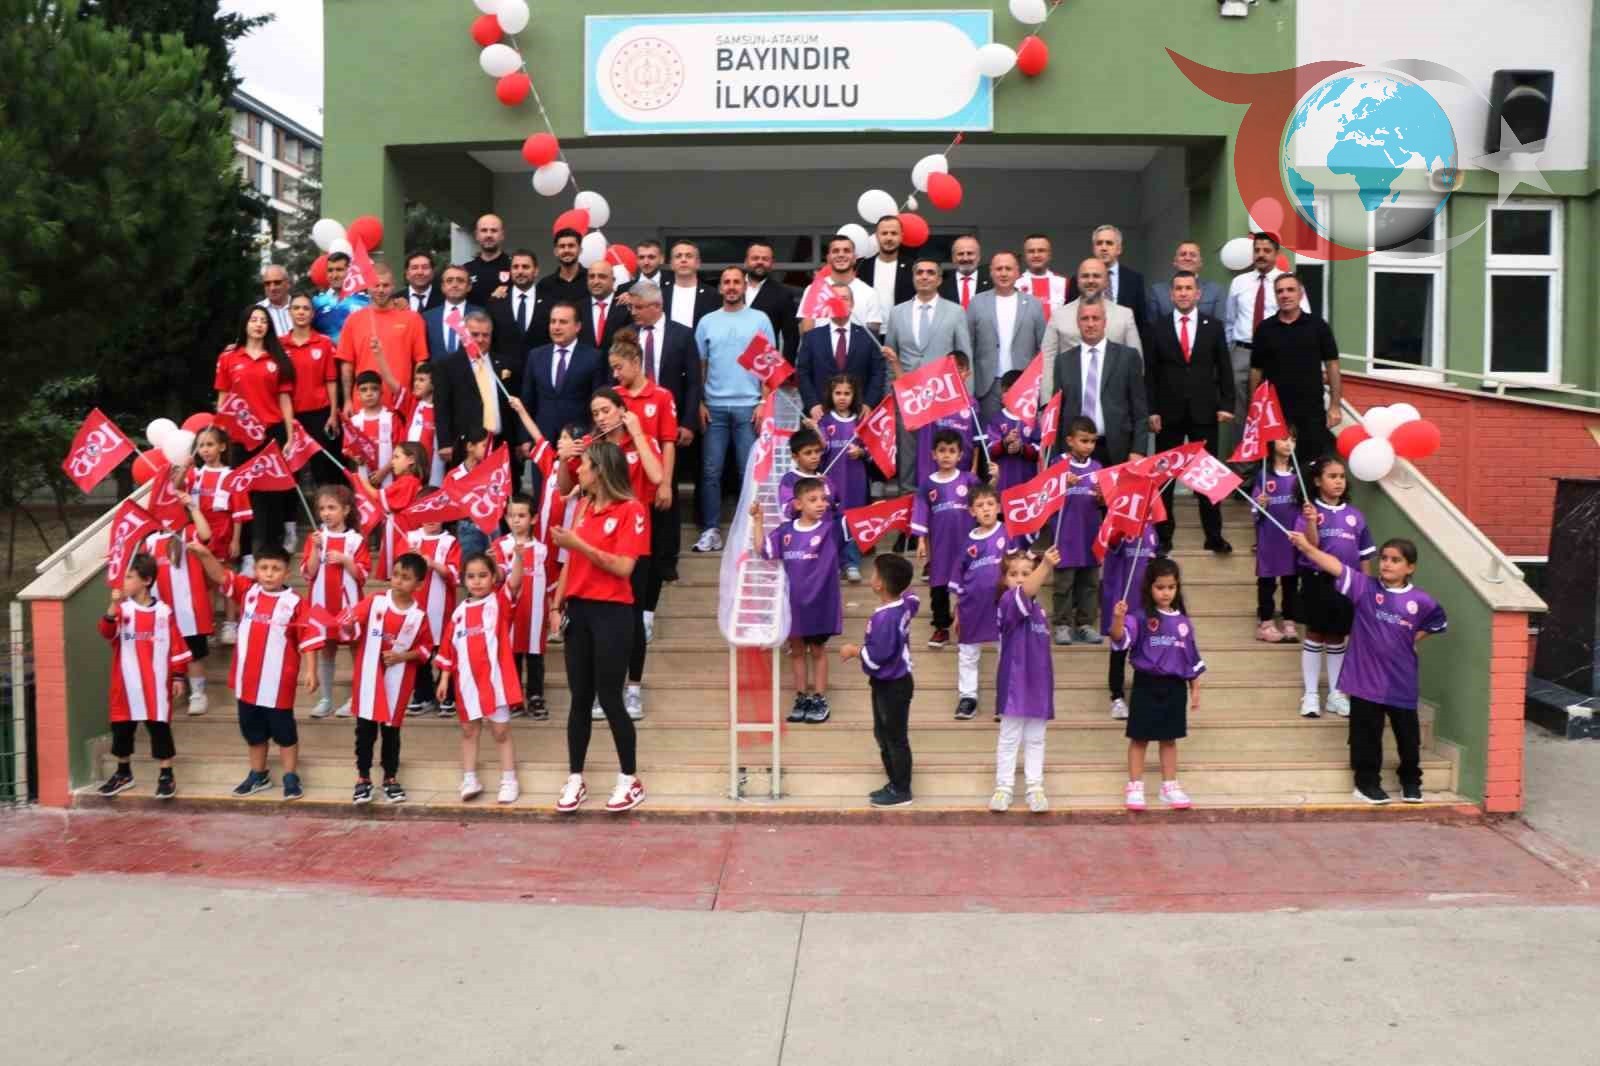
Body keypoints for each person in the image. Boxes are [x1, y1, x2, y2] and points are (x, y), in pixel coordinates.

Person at [1287, 533, 1448, 804]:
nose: (1387, 564)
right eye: (1384, 558)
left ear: (1410, 567)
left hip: (1401, 681)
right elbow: (1334, 565)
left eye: (1395, 560)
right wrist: (1306, 547)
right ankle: (1366, 784)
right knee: (1366, 736)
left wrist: (1410, 639)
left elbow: (1436, 623)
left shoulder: (1422, 601)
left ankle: (1410, 781)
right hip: (1364, 681)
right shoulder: (1364, 587)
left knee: (1408, 737)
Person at [549, 440, 650, 814]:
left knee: (609, 697)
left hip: (613, 612)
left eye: (585, 464)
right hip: (579, 610)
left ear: (601, 471)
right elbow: (570, 562)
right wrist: (557, 604)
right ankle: (575, 777)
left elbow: (624, 566)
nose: (578, 470)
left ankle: (629, 778)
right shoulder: (582, 507)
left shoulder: (631, 510)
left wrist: (580, 544)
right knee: (579, 697)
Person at [553, 389, 661, 722]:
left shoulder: (641, 439)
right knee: (597, 621)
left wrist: (637, 432)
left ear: (622, 410)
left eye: (606, 410)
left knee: (633, 617)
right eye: (595, 412)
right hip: (594, 536)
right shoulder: (590, 446)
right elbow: (564, 488)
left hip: (632, 538)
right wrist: (564, 458)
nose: (600, 418)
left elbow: (658, 477)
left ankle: (634, 688)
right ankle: (605, 691)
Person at [190, 542, 321, 802]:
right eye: (264, 568)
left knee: (285, 733)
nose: (269, 573)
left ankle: (290, 776)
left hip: (278, 683)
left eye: (276, 568)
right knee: (254, 733)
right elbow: (219, 575)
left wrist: (311, 670)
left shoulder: (295, 603)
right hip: (247, 681)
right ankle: (258, 774)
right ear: (256, 570)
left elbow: (308, 638)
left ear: (287, 572)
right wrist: (204, 554)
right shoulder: (247, 591)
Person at [1145, 270, 1235, 554]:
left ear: (1198, 294)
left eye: (1188, 288)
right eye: (1178, 288)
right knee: (1165, 478)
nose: (1183, 293)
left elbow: (1224, 367)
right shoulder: (1157, 327)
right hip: (1167, 413)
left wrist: (1226, 404)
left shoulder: (1213, 326)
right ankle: (1163, 536)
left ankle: (1214, 535)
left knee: (1207, 476)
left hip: (1204, 411)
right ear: (1171, 294)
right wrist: (1151, 410)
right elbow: (1150, 373)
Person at [691, 266, 777, 553]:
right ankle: (711, 530)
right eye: (726, 282)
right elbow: (700, 366)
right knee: (710, 472)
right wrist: (699, 402)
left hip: (749, 407)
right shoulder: (707, 322)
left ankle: (749, 533)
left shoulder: (760, 319)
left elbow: (769, 365)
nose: (731, 286)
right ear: (720, 288)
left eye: (736, 282)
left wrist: (764, 402)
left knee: (748, 473)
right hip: (714, 408)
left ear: (744, 286)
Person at [1109, 557, 1204, 811]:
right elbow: (1119, 638)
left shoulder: (1183, 622)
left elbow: (1191, 657)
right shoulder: (1139, 617)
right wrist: (1118, 618)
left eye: (1171, 587)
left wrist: (1195, 688)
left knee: (1169, 739)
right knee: (1139, 738)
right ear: (1149, 587)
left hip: (1174, 686)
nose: (1166, 592)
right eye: (1160, 587)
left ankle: (1169, 785)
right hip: (1146, 684)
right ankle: (1135, 786)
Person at [752, 476, 847, 724]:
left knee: (817, 650)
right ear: (797, 504)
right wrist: (758, 521)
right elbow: (763, 550)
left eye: (823, 499)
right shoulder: (786, 531)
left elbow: (854, 522)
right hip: (793, 605)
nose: (820, 504)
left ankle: (819, 698)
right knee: (796, 652)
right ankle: (801, 697)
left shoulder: (831, 530)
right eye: (813, 499)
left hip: (820, 604)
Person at [94, 554, 190, 799]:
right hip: (125, 684)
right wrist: (112, 607)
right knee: (122, 729)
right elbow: (106, 632)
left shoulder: (164, 612)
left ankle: (166, 774)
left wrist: (179, 675)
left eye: (129, 577)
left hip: (155, 684)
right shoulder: (122, 610)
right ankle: (123, 773)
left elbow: (176, 644)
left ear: (146, 580)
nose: (123, 582)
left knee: (159, 728)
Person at [434, 551, 526, 804]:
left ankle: (509, 780)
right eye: (471, 576)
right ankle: (469, 778)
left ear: (494, 577)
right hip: (466, 683)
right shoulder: (458, 613)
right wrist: (444, 678)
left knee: (501, 731)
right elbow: (449, 648)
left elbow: (515, 582)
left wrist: (519, 557)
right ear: (464, 579)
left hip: (495, 682)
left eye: (483, 575)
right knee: (469, 731)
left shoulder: (499, 602)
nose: (477, 581)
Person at [342, 552, 434, 805]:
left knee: (391, 732)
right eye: (396, 575)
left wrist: (403, 656)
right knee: (365, 731)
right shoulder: (376, 601)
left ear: (419, 584)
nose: (398, 581)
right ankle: (363, 777)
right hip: (369, 680)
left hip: (398, 683)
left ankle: (390, 777)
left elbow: (426, 650)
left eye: (406, 577)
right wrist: (345, 624)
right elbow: (349, 623)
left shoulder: (419, 616)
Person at [622, 280, 700, 581]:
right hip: (632, 423)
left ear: (657, 306)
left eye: (639, 307)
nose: (634, 312)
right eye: (632, 307)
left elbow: (693, 382)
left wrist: (688, 422)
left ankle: (666, 560)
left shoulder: (682, 334)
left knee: (666, 490)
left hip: (667, 423)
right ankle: (635, 553)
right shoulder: (628, 335)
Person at [1291, 455, 1375, 719]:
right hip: (1317, 581)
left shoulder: (1355, 516)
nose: (1339, 481)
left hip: (1348, 584)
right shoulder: (1308, 512)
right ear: (1317, 481)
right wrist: (1311, 521)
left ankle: (1336, 695)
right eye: (1332, 476)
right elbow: (1311, 546)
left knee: (1338, 637)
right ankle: (1311, 695)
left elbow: (1365, 555)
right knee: (1315, 634)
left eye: (1341, 477)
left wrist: (1366, 588)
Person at [610, 328, 679, 643]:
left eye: (619, 367)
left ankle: (648, 613)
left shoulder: (661, 396)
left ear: (636, 363)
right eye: (613, 369)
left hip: (651, 490)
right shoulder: (614, 397)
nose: (616, 374)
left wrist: (665, 483)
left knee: (653, 554)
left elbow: (668, 442)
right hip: (621, 492)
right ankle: (626, 611)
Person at [213, 305, 298, 557]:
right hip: (239, 435)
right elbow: (223, 399)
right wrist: (220, 433)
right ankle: (247, 554)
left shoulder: (277, 360)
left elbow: (284, 399)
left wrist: (290, 434)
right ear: (245, 325)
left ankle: (272, 551)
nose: (259, 324)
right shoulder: (229, 358)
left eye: (263, 320)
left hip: (271, 434)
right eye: (254, 320)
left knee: (271, 494)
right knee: (242, 495)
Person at [837, 553, 918, 808]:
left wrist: (853, 651)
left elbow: (876, 658)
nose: (871, 577)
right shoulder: (905, 604)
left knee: (893, 738)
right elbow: (914, 598)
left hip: (892, 685)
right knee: (884, 734)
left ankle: (901, 790)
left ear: (880, 584)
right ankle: (894, 782)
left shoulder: (884, 618)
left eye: (874, 574)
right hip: (894, 683)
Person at [989, 546, 1061, 813]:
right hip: (1014, 683)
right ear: (1004, 579)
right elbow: (1025, 592)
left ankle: (1035, 788)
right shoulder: (1008, 602)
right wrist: (1045, 566)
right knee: (1009, 737)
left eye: (1026, 573)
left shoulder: (1039, 610)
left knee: (1036, 738)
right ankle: (1003, 788)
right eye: (1013, 574)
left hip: (1039, 682)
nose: (1020, 578)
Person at [1226, 232, 1309, 453]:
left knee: (1277, 409)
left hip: (1276, 354)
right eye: (1257, 250)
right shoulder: (1239, 282)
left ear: (1276, 253)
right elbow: (1230, 321)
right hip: (1243, 353)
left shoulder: (1288, 284)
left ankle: (1276, 464)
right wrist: (1230, 354)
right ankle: (1244, 467)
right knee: (1241, 413)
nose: (1261, 255)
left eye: (1266, 250)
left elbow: (1303, 320)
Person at [1248, 272, 1340, 469]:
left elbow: (1332, 364)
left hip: (1310, 409)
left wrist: (1335, 405)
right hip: (1274, 410)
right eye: (1280, 291)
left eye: (1290, 290)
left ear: (1300, 293)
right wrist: (1255, 408)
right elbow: (1256, 369)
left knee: (1311, 464)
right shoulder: (1265, 329)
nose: (1285, 295)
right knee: (1274, 465)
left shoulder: (1318, 326)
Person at [966, 250, 1048, 462]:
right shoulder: (977, 303)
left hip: (1023, 386)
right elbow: (969, 346)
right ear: (991, 272)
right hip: (988, 385)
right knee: (989, 443)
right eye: (999, 268)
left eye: (1008, 268)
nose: (1003, 273)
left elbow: (1043, 347)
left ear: (1018, 273)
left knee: (1024, 441)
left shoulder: (1033, 304)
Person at [1049, 298, 1147, 466]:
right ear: (1077, 323)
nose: (1090, 324)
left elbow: (1139, 409)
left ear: (1105, 322)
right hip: (1074, 453)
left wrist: (1138, 450)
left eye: (1096, 318)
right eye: (1085, 319)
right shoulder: (1063, 361)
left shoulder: (1128, 357)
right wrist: (1056, 455)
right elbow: (1057, 412)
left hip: (1117, 448)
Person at [143, 493, 215, 715]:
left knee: (194, 653)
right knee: (164, 652)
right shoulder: (150, 541)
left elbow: (206, 534)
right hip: (161, 610)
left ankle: (198, 694)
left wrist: (192, 506)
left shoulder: (187, 533)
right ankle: (168, 693)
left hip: (188, 609)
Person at [303, 483, 369, 719]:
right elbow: (309, 573)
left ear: (346, 510)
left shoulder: (355, 540)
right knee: (327, 649)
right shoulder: (316, 538)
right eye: (322, 509)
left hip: (348, 606)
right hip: (322, 605)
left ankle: (356, 698)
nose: (326, 513)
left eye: (332, 508)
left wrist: (345, 560)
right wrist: (315, 550)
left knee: (354, 648)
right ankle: (326, 699)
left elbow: (362, 575)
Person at [912, 428, 980, 650]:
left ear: (960, 455)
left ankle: (967, 622)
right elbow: (921, 512)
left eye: (952, 451)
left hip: (966, 544)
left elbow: (984, 500)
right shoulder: (928, 484)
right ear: (933, 454)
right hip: (940, 545)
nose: (946, 455)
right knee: (939, 586)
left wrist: (996, 477)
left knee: (967, 584)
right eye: (942, 450)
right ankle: (941, 626)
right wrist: (921, 541)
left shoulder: (968, 479)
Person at [884, 256, 974, 421]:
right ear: (913, 278)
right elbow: (890, 360)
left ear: (939, 280)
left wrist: (966, 396)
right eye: (919, 273)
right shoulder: (897, 312)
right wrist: (889, 395)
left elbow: (965, 358)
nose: (924, 276)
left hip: (943, 395)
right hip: (908, 398)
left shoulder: (956, 312)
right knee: (907, 439)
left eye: (930, 273)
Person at [1041, 258, 1144, 402]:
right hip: (1071, 401)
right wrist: (1047, 403)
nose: (1090, 280)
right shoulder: (1059, 315)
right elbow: (1047, 361)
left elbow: (1137, 363)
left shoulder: (1124, 315)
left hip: (1114, 403)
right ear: (1077, 281)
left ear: (1106, 281)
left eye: (1096, 276)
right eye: (1085, 276)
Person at [335, 262, 429, 411]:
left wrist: (417, 395)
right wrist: (347, 401)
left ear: (393, 286)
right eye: (376, 285)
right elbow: (347, 365)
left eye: (385, 285)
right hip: (363, 404)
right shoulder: (353, 320)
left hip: (401, 403)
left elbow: (420, 361)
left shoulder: (412, 319)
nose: (380, 290)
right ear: (367, 287)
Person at [949, 484, 1008, 721]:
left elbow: (1021, 567)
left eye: (990, 504)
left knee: (1006, 651)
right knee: (968, 653)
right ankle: (968, 698)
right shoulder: (967, 542)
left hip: (1002, 606)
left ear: (999, 507)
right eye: (980, 505)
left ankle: (1005, 698)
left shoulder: (1009, 533)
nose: (986, 509)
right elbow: (958, 577)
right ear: (972, 511)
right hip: (971, 606)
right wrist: (957, 611)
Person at [188, 426, 248, 645]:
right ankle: (208, 625)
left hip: (223, 533)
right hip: (200, 535)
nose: (205, 449)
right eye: (201, 445)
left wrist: (236, 540)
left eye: (210, 444)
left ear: (222, 447)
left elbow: (239, 512)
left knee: (226, 579)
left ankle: (230, 624)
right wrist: (184, 468)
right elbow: (176, 490)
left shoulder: (231, 476)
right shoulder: (194, 475)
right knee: (205, 583)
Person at [493, 494, 551, 720]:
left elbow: (550, 582)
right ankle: (514, 697)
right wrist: (493, 566)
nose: (515, 520)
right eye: (511, 515)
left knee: (535, 654)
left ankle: (535, 697)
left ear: (533, 518)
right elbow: (498, 576)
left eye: (521, 515)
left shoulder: (543, 548)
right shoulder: (500, 545)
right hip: (510, 612)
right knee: (512, 654)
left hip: (535, 613)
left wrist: (553, 609)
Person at [519, 302, 608, 447]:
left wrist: (592, 436)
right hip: (541, 439)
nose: (556, 327)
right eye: (553, 321)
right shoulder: (536, 356)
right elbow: (527, 400)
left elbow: (598, 401)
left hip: (578, 440)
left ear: (577, 326)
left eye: (563, 322)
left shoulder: (593, 357)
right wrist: (525, 438)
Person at [404, 503, 461, 718]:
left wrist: (433, 564)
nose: (431, 518)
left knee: (444, 650)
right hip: (414, 607)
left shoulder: (450, 542)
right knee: (419, 654)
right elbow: (399, 569)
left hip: (441, 608)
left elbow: (455, 575)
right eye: (426, 513)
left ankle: (447, 694)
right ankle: (423, 694)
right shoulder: (410, 538)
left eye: (437, 513)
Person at [279, 293, 342, 486]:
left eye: (306, 308)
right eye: (296, 308)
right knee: (291, 470)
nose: (301, 312)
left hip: (319, 414)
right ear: (289, 312)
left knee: (323, 468)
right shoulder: (279, 344)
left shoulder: (324, 342)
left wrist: (333, 414)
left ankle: (328, 504)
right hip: (290, 416)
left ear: (313, 314)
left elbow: (331, 381)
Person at [796, 284, 886, 419]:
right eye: (835, 299)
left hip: (859, 414)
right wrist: (812, 404)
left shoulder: (869, 336)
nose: (839, 302)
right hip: (820, 413)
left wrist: (869, 404)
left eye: (844, 298)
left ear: (852, 304)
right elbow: (803, 373)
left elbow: (878, 373)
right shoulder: (811, 337)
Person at [1052, 417, 1105, 645]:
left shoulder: (1097, 467)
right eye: (1084, 440)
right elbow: (1046, 495)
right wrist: (1063, 484)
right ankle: (1062, 624)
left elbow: (1103, 502)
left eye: (1092, 441)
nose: (1089, 446)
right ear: (1070, 440)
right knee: (1064, 583)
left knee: (1090, 583)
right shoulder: (1058, 463)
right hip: (1065, 535)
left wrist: (1102, 496)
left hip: (1090, 534)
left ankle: (1085, 624)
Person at [431, 309, 506, 470]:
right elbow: (442, 406)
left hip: (500, 443)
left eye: (485, 335)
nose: (480, 339)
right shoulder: (446, 365)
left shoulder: (503, 363)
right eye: (475, 334)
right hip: (464, 445)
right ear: (463, 335)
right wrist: (444, 442)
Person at [1102, 523, 1159, 721]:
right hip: (1124, 602)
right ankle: (1117, 697)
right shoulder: (1121, 526)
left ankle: (1142, 695)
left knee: (1146, 651)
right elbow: (1111, 544)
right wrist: (1119, 531)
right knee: (1119, 650)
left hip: (1145, 605)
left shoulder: (1151, 531)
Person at [1253, 432, 1303, 643]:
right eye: (1283, 438)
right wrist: (1260, 504)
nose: (1288, 443)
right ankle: (1265, 622)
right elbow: (1255, 508)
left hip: (1293, 536)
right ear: (1272, 442)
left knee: (1291, 580)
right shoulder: (1264, 475)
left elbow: (1305, 505)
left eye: (1293, 439)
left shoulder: (1299, 475)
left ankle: (1289, 619)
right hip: (1270, 536)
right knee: (1267, 580)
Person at [818, 374, 867, 582]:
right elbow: (819, 450)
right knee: (832, 519)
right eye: (838, 393)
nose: (842, 397)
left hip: (855, 479)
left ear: (854, 395)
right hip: (832, 480)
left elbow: (872, 448)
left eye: (847, 393)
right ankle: (833, 561)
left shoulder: (860, 421)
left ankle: (852, 562)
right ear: (831, 395)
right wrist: (816, 433)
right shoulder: (825, 420)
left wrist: (861, 452)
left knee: (854, 519)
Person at [360, 439, 426, 582]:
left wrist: (361, 481)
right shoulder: (406, 480)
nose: (392, 462)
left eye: (396, 457)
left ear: (411, 460)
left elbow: (378, 497)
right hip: (398, 528)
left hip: (402, 530)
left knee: (398, 569)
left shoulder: (409, 481)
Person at [1065, 224, 1147, 330]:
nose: (1104, 248)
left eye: (1109, 243)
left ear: (1119, 249)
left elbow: (1141, 321)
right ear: (1093, 248)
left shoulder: (1134, 279)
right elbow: (1070, 317)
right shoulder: (1078, 280)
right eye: (1099, 243)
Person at [799, 234, 883, 334]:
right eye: (835, 251)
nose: (841, 254)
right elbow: (807, 332)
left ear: (854, 258)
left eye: (846, 251)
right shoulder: (813, 289)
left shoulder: (870, 293)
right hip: (820, 344)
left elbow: (872, 335)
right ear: (828, 258)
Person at [344, 369, 402, 496]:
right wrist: (355, 458)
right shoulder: (354, 422)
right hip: (364, 478)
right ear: (358, 395)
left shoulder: (392, 418)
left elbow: (401, 449)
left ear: (381, 392)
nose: (369, 393)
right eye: (364, 390)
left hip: (389, 477)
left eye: (374, 389)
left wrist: (384, 471)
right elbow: (347, 449)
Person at [984, 369, 1040, 494]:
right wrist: (1005, 443)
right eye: (1005, 391)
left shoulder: (1031, 420)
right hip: (1003, 482)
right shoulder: (996, 419)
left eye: (1013, 391)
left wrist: (1021, 448)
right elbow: (990, 451)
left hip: (1026, 481)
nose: (1007, 395)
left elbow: (1039, 452)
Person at [743, 240, 800, 361]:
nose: (760, 262)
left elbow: (791, 337)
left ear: (772, 263)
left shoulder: (783, 294)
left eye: (765, 259)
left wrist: (786, 369)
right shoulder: (731, 288)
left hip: (763, 363)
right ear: (746, 261)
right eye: (755, 258)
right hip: (729, 360)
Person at [488, 248, 549, 359]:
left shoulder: (550, 303)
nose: (520, 271)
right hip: (505, 368)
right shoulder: (496, 303)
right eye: (515, 267)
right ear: (510, 271)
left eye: (525, 267)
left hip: (540, 367)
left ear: (536, 271)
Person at [1146, 240, 1223, 322]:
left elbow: (1220, 325)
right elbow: (1152, 326)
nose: (1187, 258)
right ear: (1175, 262)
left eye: (1193, 255)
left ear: (1200, 263)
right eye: (1183, 254)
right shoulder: (1157, 291)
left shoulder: (1215, 290)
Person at [420, 264, 482, 364]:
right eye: (449, 281)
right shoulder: (427, 317)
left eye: (460, 281)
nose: (455, 285)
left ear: (469, 287)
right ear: (442, 287)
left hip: (470, 372)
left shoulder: (481, 314)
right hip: (437, 372)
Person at [857, 215, 915, 318]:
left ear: (901, 236)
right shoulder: (862, 267)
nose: (889, 238)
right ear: (876, 236)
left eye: (894, 233)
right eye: (884, 233)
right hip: (869, 326)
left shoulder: (913, 267)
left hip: (902, 326)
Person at [312, 251, 370, 346]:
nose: (334, 275)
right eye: (330, 270)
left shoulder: (365, 301)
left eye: (339, 270)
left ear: (349, 271)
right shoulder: (317, 303)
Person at [400, 362, 443, 486]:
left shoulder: (441, 410)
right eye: (415, 380)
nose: (416, 383)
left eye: (421, 380)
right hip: (409, 470)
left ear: (433, 384)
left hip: (432, 472)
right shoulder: (413, 404)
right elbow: (392, 383)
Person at [661, 240, 718, 328]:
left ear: (698, 263)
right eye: (678, 256)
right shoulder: (661, 294)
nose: (683, 260)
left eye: (689, 256)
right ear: (671, 264)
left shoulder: (713, 295)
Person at [581, 258, 632, 353]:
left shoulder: (626, 307)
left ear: (613, 280)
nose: (596, 281)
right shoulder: (577, 309)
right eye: (591, 277)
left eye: (602, 276)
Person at [464, 213, 512, 307]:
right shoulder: (466, 270)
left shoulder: (514, 268)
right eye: (484, 230)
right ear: (476, 235)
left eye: (494, 230)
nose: (489, 235)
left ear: (502, 235)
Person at [538, 228, 588, 306]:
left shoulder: (591, 280)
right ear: (555, 252)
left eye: (571, 246)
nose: (566, 250)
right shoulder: (544, 285)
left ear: (580, 250)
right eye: (562, 246)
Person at [939, 234, 991, 309]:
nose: (965, 258)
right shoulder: (941, 284)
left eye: (970, 253)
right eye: (960, 254)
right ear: (953, 258)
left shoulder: (992, 283)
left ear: (979, 256)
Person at [1020, 233, 1068, 309]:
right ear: (1025, 255)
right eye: (1031, 251)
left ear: (1049, 254)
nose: (1036, 255)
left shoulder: (1064, 283)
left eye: (1041, 250)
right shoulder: (1014, 283)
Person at [256, 263, 293, 335]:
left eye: (277, 283)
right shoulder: (257, 311)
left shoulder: (301, 307)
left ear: (288, 284)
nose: (272, 288)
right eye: (267, 283)